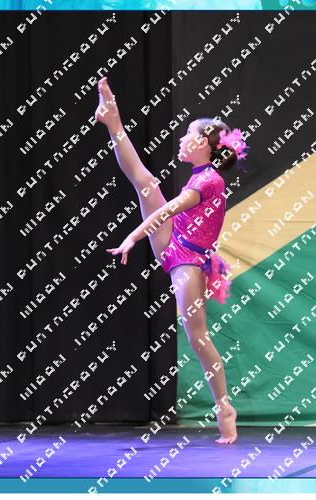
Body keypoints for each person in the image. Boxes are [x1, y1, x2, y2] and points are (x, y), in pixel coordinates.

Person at [96, 76, 247, 444]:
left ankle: (224, 407)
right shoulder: (201, 174)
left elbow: (166, 212)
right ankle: (112, 120)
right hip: (176, 239)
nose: (181, 139)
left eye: (188, 134)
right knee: (145, 180)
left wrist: (132, 237)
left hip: (189, 259)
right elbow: (168, 214)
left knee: (197, 337)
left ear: (203, 143)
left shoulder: (209, 180)